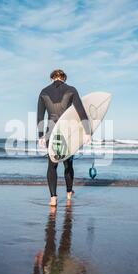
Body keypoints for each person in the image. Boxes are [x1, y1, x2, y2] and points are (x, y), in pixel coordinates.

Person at [37, 69, 91, 206]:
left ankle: (53, 198)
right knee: (68, 163)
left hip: (50, 131)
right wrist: (87, 131)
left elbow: (40, 116)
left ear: (52, 78)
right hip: (67, 130)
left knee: (52, 164)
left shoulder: (43, 92)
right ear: (64, 78)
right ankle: (68, 194)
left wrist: (41, 136)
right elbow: (80, 111)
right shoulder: (71, 90)